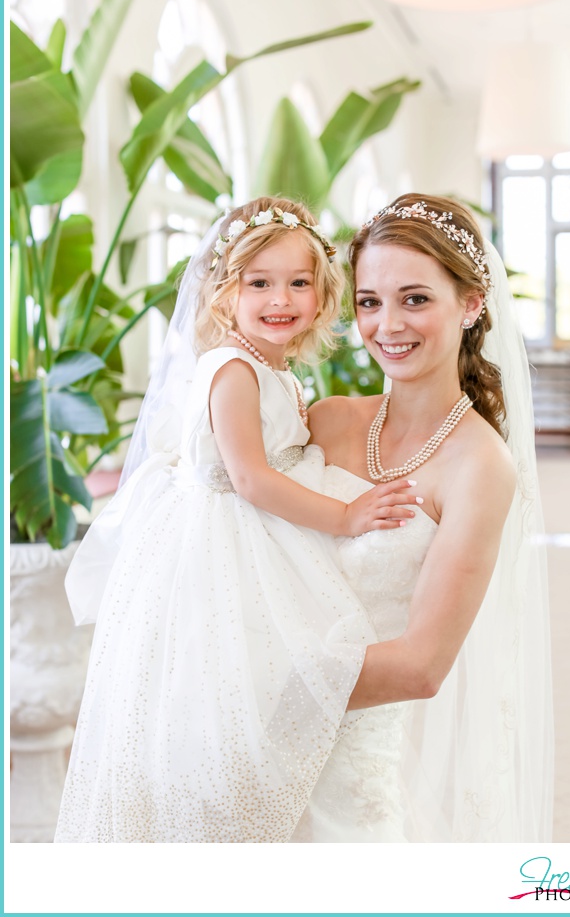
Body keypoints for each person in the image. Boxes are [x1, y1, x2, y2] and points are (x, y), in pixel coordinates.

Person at [56, 197, 417, 842]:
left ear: (322, 292)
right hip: (220, 542)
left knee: (265, 686)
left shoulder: (273, 368)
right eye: (259, 283)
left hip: (255, 532)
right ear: (226, 292)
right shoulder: (232, 370)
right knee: (225, 689)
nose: (281, 298)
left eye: (298, 282)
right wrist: (345, 515)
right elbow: (250, 478)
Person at [290, 194, 554, 842]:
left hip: (348, 760)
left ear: (470, 305)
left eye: (415, 299)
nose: (388, 324)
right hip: (263, 748)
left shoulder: (480, 467)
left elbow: (422, 665)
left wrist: (263, 680)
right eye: (370, 301)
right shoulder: (326, 419)